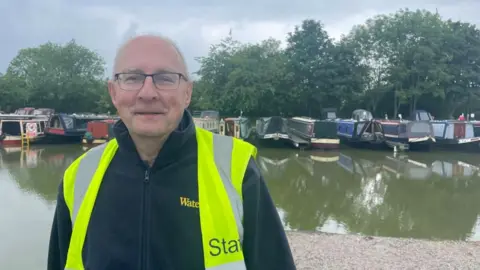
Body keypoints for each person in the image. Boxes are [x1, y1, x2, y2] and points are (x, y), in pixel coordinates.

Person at [47, 34, 296, 270]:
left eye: (165, 78)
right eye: (132, 78)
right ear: (113, 92)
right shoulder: (79, 176)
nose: (147, 93)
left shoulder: (237, 169)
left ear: (187, 93)